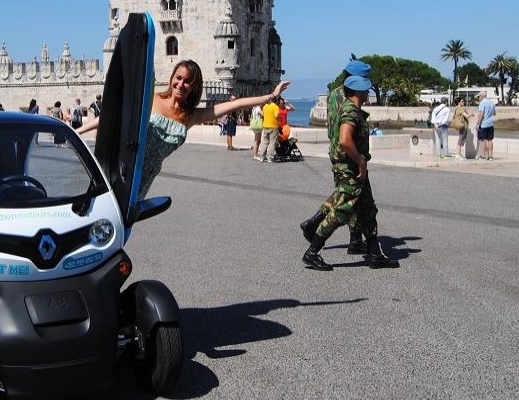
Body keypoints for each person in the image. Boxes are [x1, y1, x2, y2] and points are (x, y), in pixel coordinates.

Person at [79, 59, 289, 198]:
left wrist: (271, 96)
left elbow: (236, 104)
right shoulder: (149, 99)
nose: (181, 84)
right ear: (171, 78)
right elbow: (111, 117)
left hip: (144, 178)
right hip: (119, 167)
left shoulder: (192, 116)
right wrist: (76, 132)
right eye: (178, 78)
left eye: (188, 81)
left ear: (194, 87)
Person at [299, 75, 399, 271]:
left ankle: (374, 254)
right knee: (342, 211)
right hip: (350, 168)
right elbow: (345, 139)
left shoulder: (351, 108)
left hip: (355, 168)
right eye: (366, 90)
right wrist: (361, 162)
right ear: (359, 92)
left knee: (368, 209)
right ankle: (312, 252)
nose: (369, 93)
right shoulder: (350, 111)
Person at [299, 58, 373, 255]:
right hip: (346, 153)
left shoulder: (333, 94)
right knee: (347, 199)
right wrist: (358, 158)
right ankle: (318, 242)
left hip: (338, 149)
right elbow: (346, 132)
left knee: (349, 195)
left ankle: (319, 225)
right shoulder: (347, 99)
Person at [258, 95, 281, 163]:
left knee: (265, 142)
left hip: (265, 126)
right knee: (272, 143)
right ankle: (269, 157)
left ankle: (262, 156)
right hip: (273, 126)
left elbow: (263, 115)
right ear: (276, 100)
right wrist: (280, 118)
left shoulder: (265, 106)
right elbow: (276, 115)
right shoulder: (275, 107)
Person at [474, 93, 496, 160]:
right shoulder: (491, 102)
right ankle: (491, 156)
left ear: (481, 96)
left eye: (479, 97)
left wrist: (478, 123)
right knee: (490, 140)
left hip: (483, 124)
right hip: (490, 124)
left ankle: (482, 155)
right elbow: (494, 113)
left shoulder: (482, 103)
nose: (478, 98)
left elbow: (481, 114)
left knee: (482, 140)